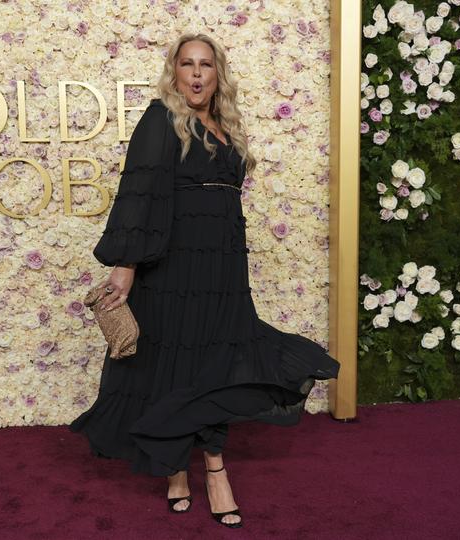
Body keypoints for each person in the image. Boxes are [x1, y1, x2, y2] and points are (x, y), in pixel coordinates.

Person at [69, 32, 340, 529]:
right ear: (175, 71)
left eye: (206, 65)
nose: (196, 74)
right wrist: (126, 266)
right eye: (187, 64)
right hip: (173, 269)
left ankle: (206, 465)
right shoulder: (161, 117)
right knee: (177, 368)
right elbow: (140, 190)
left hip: (223, 269)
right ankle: (193, 470)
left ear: (218, 74)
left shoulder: (226, 125)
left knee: (219, 364)